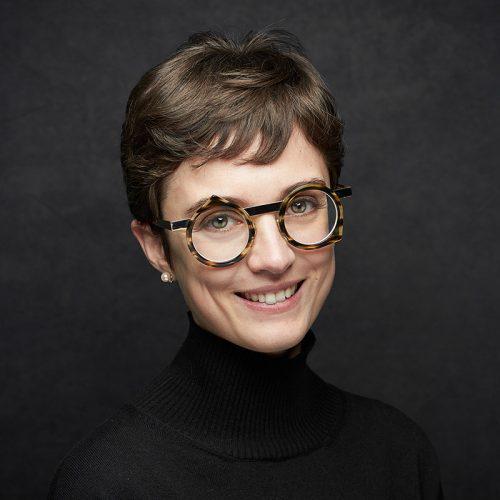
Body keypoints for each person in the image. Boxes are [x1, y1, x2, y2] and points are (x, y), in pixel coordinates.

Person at [47, 28, 444, 499]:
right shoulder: (107, 483)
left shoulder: (398, 454)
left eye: (301, 204)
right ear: (155, 246)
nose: (275, 258)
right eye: (219, 220)